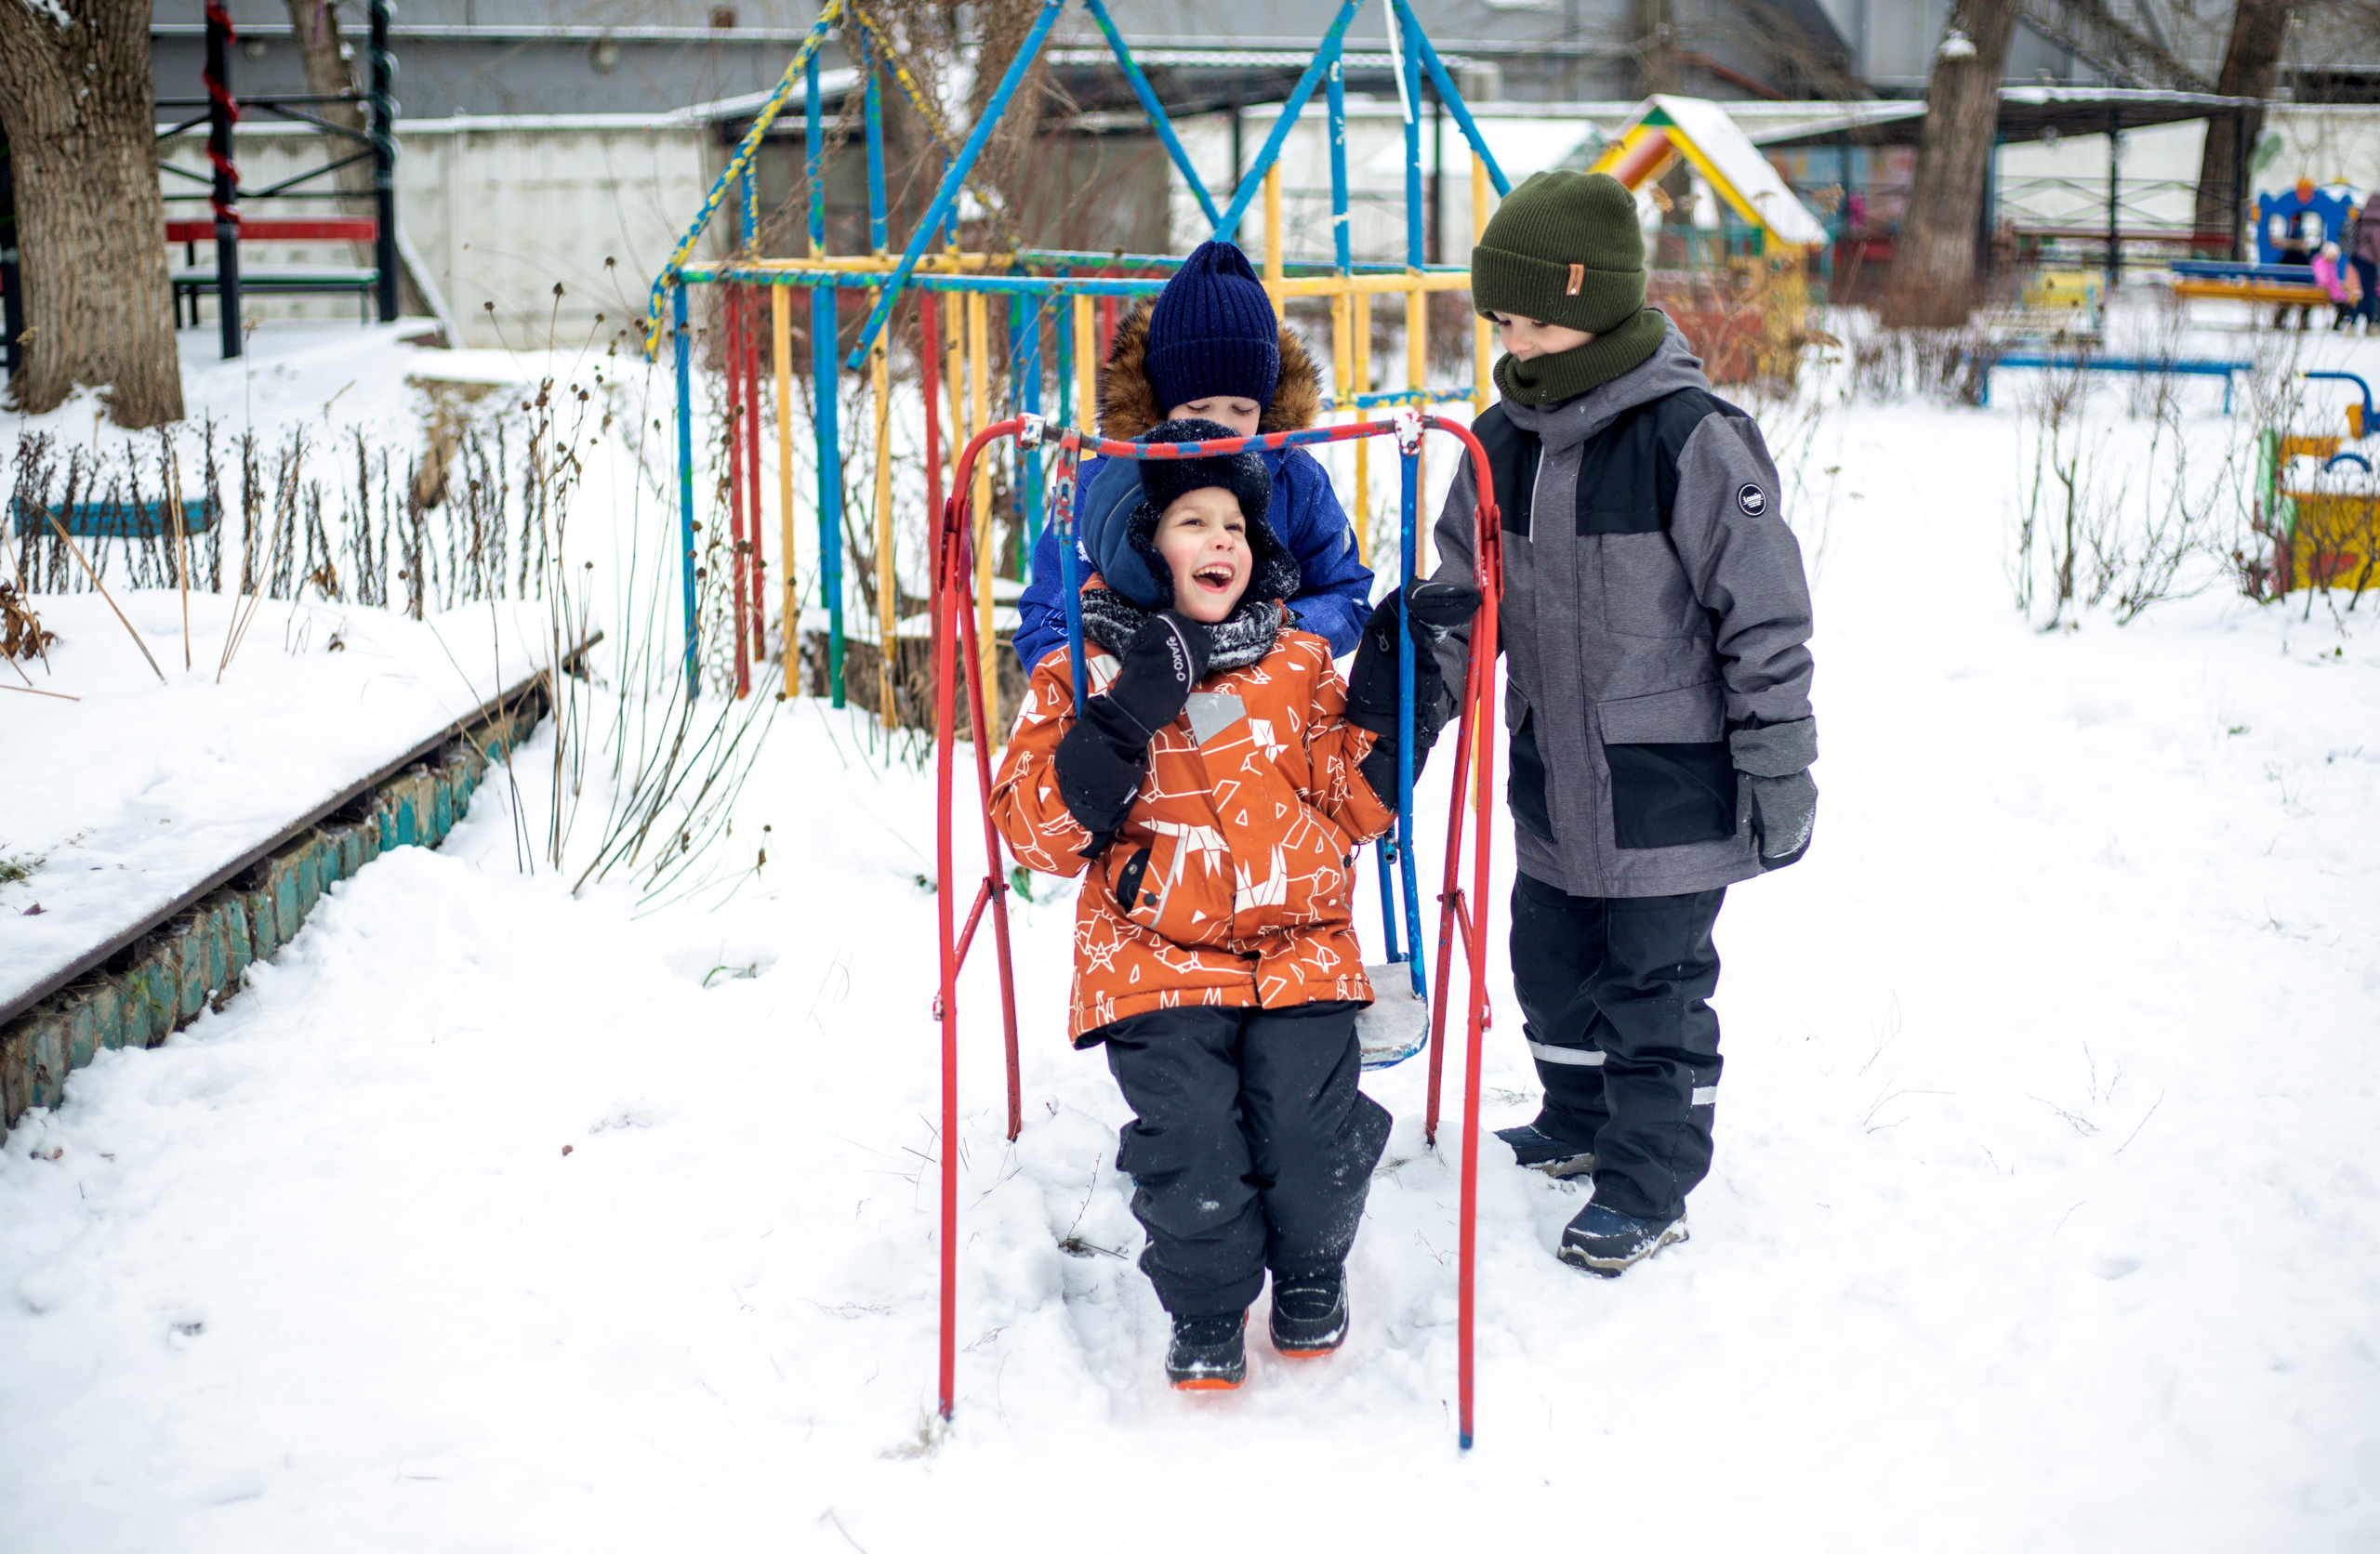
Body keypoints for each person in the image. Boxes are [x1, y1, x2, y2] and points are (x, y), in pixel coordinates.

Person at [990, 418, 1472, 1389]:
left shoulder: (1293, 662)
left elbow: (1352, 805)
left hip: (1298, 947)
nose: (1223, 540)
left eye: (1237, 527)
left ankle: (1311, 1269)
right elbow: (1037, 835)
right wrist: (1126, 714)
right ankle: (1207, 1307)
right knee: (1193, 1142)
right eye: (1193, 522)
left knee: (1306, 1126)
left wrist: (1394, 694)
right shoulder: (1083, 668)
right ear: (1140, 544)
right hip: (1155, 958)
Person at [1421, 170, 1817, 1278]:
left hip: (1667, 786)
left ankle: (1647, 1183)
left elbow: (1765, 617)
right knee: (1550, 963)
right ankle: (1575, 1119)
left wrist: (1779, 765)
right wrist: (1410, 711)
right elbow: (1460, 599)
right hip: (1552, 776)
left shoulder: (1691, 439)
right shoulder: (1498, 443)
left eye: (1535, 323)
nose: (1515, 345)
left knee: (1654, 990)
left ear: (1597, 304)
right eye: (1501, 323)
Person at [1012, 241, 1373, 672]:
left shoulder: (1294, 480)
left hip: (1266, 702)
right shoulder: (1105, 485)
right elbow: (1048, 619)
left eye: (1243, 410)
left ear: (1266, 408)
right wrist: (1110, 674)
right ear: (1162, 402)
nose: (1221, 427)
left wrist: (1279, 630)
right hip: (1138, 703)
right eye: (1198, 409)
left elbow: (1345, 594)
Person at [2313, 242, 2358, 331]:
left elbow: (2333, 281)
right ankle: (2337, 324)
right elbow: (2324, 280)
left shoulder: (2330, 265)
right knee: (2344, 308)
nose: (2335, 259)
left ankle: (2338, 323)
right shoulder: (2322, 264)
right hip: (2328, 293)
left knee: (2347, 307)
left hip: (2334, 293)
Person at [2352, 193, 2380, 332]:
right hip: (2369, 259)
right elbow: (2377, 241)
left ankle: (2370, 324)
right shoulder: (2377, 216)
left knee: (2367, 293)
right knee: (2369, 294)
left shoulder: (2365, 214)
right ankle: (2353, 322)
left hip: (2359, 256)